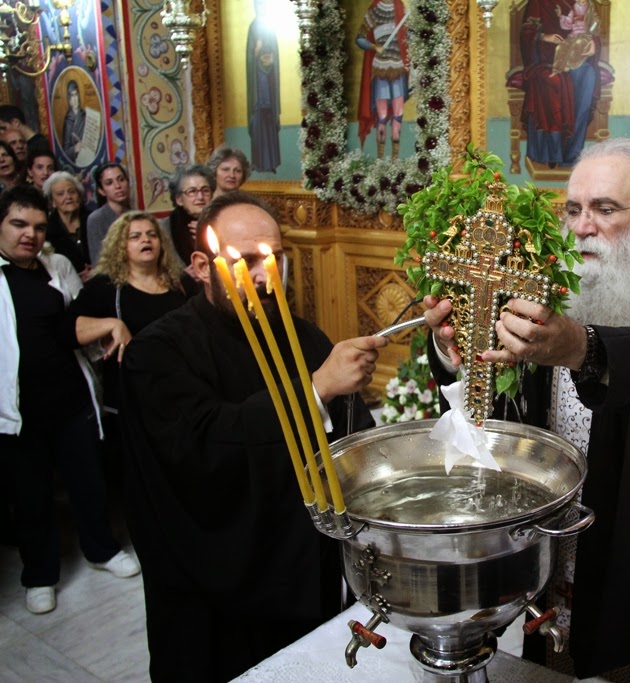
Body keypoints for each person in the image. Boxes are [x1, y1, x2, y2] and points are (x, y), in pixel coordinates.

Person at [424, 138, 630, 680]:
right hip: (556, 542)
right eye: (573, 209)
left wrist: (582, 347)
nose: (581, 226)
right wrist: (457, 345)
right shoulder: (556, 284)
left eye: (605, 209)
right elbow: (509, 395)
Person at [119, 191, 389, 682]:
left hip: (304, 576)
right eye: (243, 261)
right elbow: (201, 450)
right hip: (217, 595)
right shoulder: (157, 352)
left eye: (273, 258)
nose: (264, 276)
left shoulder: (304, 337)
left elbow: (351, 445)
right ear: (200, 265)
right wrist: (315, 390)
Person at [0, 185, 140, 617]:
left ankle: (101, 549)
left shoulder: (55, 266)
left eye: (39, 227)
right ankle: (39, 575)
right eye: (18, 224)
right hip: (20, 410)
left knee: (87, 481)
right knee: (31, 494)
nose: (30, 234)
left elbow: (74, 324)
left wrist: (112, 325)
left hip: (71, 398)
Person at [71, 210, 191, 413]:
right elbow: (68, 330)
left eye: (152, 235)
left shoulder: (180, 282)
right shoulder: (105, 286)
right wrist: (113, 324)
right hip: (129, 398)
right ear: (120, 246)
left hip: (179, 393)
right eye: (135, 236)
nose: (146, 239)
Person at [518, 0, 601, 168]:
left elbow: (593, 25)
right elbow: (525, 32)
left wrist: (594, 43)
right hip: (545, 61)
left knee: (588, 75)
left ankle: (572, 153)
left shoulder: (582, 2)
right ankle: (552, 152)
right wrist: (543, 36)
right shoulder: (538, 3)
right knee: (554, 82)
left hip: (576, 56)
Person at [356, 0, 409, 159]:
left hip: (398, 69)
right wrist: (373, 47)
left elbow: (408, 35)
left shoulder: (401, 8)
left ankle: (395, 159)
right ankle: (380, 159)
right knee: (382, 115)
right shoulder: (374, 10)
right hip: (380, 69)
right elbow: (359, 39)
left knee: (398, 113)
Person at [246, 0, 281, 173]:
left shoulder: (270, 27)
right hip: (258, 84)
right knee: (259, 120)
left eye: (262, 4)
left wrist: (269, 58)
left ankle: (272, 163)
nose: (260, 8)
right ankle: (259, 164)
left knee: (269, 120)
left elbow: (274, 52)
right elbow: (250, 56)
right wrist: (257, 51)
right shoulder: (253, 27)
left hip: (268, 80)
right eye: (257, 5)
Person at [159, 164, 214, 266]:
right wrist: (183, 276)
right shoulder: (162, 228)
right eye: (192, 191)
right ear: (179, 199)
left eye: (205, 190)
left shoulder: (221, 223)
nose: (200, 197)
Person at [43, 171, 92, 276]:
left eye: (72, 192)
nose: (68, 197)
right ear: (52, 202)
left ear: (79, 195)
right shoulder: (46, 230)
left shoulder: (93, 220)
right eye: (60, 194)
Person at [85, 162, 131, 264]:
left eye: (121, 179)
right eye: (109, 183)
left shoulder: (135, 215)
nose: (118, 186)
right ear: (101, 190)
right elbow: (98, 261)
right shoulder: (96, 219)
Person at [61, 80, 89, 163]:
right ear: (69, 99)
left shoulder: (84, 115)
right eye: (72, 96)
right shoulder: (68, 121)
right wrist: (74, 149)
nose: (74, 99)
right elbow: (65, 152)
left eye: (76, 95)